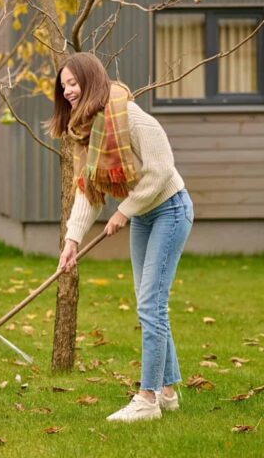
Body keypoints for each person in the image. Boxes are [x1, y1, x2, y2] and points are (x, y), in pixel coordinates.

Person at [52, 53, 193, 423]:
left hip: (170, 209)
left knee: (151, 305)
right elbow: (88, 189)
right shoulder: (87, 129)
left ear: (92, 80)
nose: (67, 90)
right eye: (63, 84)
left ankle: (147, 400)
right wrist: (72, 241)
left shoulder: (129, 117)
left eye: (73, 82)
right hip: (145, 215)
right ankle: (167, 392)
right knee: (149, 304)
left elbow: (161, 172)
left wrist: (123, 210)